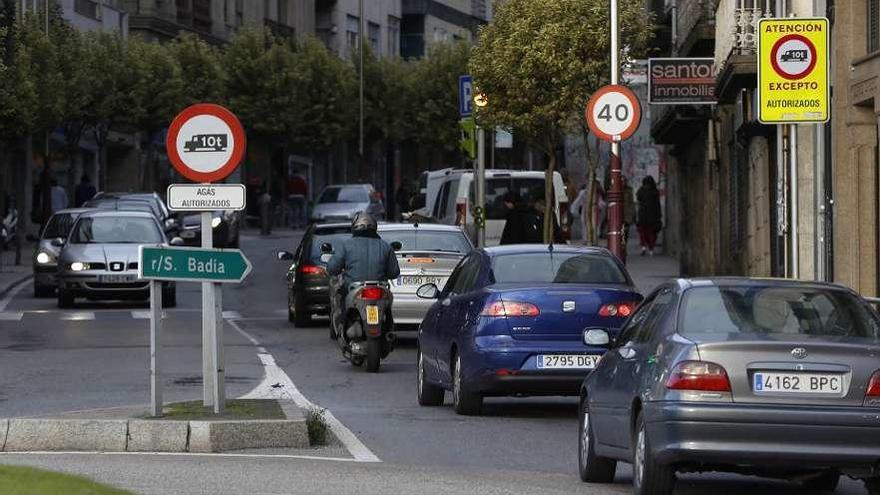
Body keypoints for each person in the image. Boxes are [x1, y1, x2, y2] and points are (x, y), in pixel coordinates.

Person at [327, 212, 400, 291]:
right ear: (374, 227)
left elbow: (332, 269)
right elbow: (394, 273)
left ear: (354, 227)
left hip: (353, 290)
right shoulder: (386, 246)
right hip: (379, 291)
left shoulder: (346, 245)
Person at [636, 175, 662, 256]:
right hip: (653, 216)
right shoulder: (654, 191)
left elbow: (638, 197)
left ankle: (643, 247)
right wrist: (659, 215)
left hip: (643, 216)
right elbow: (657, 205)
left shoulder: (641, 191)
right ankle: (651, 249)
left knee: (643, 233)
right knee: (652, 233)